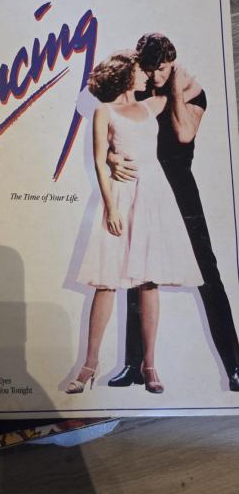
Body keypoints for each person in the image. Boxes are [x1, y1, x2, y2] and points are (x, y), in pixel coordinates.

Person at [107, 34, 239, 391]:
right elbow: (111, 131)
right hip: (143, 187)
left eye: (162, 69)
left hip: (179, 189)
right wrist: (112, 157)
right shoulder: (138, 90)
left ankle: (235, 366)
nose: (155, 76)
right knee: (137, 272)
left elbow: (183, 135)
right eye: (149, 69)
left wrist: (176, 89)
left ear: (173, 63)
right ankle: (134, 365)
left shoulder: (193, 92)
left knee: (208, 275)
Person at [67, 51, 203, 395]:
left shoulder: (150, 106)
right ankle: (89, 364)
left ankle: (150, 364)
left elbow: (188, 88)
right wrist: (111, 208)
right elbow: (99, 163)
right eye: (141, 71)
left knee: (149, 281)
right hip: (121, 196)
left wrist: (171, 64)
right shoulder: (104, 111)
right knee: (106, 281)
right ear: (127, 75)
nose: (147, 76)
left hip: (153, 196)